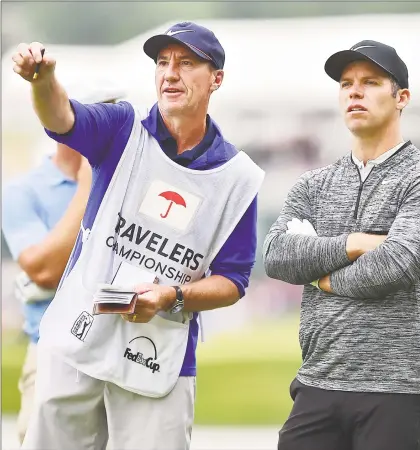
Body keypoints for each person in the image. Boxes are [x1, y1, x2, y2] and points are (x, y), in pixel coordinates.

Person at [13, 22, 264, 450]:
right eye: (163, 63)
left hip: (159, 353)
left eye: (186, 64)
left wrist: (172, 296)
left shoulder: (238, 177)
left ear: (216, 79)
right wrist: (44, 81)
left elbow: (233, 281)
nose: (170, 73)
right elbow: (63, 118)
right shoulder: (122, 127)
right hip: (77, 337)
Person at [263, 40, 420, 450]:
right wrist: (354, 243)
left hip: (397, 387)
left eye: (370, 82)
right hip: (318, 378)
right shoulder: (312, 185)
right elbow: (277, 255)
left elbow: (396, 266)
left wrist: (320, 279)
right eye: (347, 83)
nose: (354, 91)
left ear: (401, 97)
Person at [2, 88, 125, 444]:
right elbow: (43, 270)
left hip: (122, 355)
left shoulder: (131, 185)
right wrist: (92, 184)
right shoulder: (24, 191)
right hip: (53, 351)